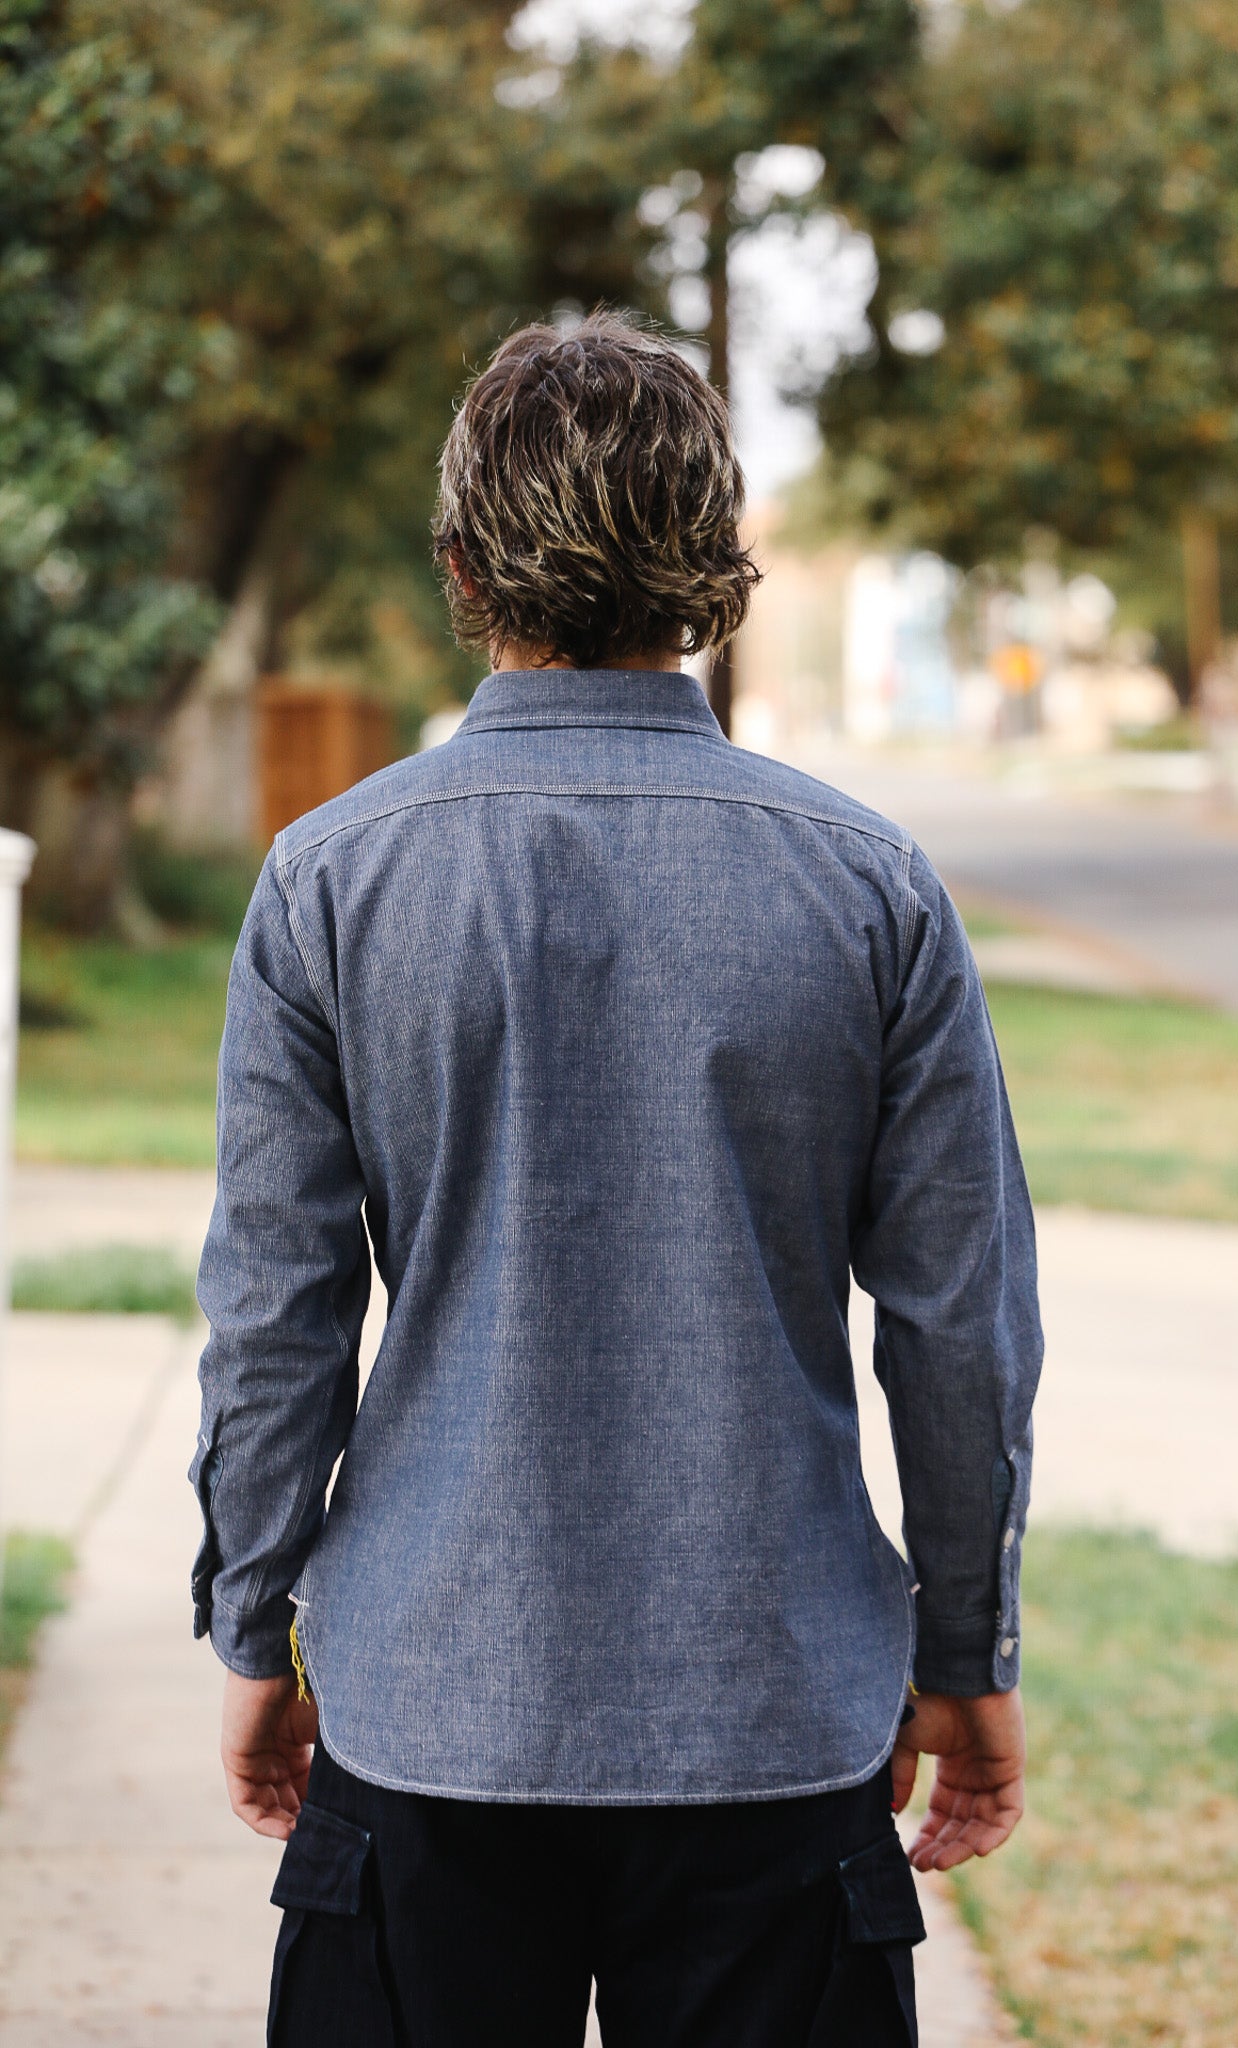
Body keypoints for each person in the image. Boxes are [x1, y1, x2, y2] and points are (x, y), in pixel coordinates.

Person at [191, 311, 1043, 2047]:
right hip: (773, 1719)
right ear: (716, 573)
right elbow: (959, 1328)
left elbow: (278, 1315)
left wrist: (252, 1623)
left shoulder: (329, 883)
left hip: (428, 1711)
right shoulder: (871, 888)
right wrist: (963, 1650)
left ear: (458, 566)